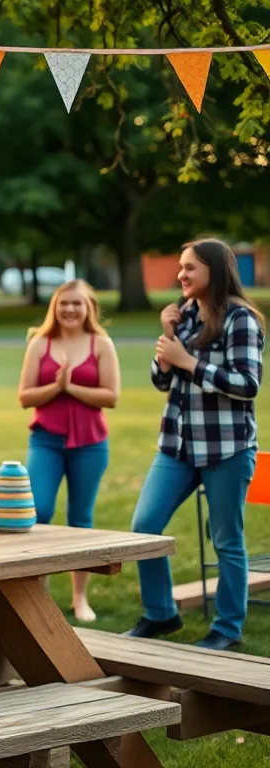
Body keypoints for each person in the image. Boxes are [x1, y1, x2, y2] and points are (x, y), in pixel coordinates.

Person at [128, 239, 264, 651]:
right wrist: (168, 343)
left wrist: (190, 362)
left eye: (190, 268)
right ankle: (161, 613)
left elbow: (248, 384)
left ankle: (227, 628)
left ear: (215, 271)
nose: (180, 275)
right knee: (144, 527)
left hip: (227, 448)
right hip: (177, 445)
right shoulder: (184, 316)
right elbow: (162, 381)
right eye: (181, 268)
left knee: (226, 540)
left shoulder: (241, 319)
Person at [17, 280, 120, 623]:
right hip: (46, 440)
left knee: (81, 520)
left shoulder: (101, 343)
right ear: (55, 307)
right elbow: (25, 397)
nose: (70, 310)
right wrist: (54, 387)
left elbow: (111, 396)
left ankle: (80, 598)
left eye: (77, 304)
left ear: (89, 307)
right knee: (39, 510)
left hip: (90, 443)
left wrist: (70, 387)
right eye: (64, 304)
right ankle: (38, 593)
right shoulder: (40, 343)